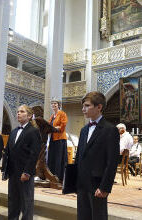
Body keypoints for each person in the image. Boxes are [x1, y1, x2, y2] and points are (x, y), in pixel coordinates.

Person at [75, 91, 120, 220]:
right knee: (83, 216)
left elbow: (112, 162)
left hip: (97, 183)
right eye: (83, 106)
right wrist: (75, 181)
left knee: (98, 216)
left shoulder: (110, 129)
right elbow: (79, 157)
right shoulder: (84, 130)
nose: (83, 109)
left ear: (99, 107)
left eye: (87, 106)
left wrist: (105, 186)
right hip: (82, 182)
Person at [2, 105, 41, 220]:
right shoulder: (13, 132)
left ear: (29, 116)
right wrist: (5, 169)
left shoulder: (33, 131)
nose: (18, 113)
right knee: (13, 201)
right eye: (18, 111)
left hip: (24, 173)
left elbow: (34, 154)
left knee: (26, 202)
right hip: (13, 172)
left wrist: (27, 172)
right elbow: (8, 151)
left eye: (22, 112)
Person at [47, 98, 68, 182]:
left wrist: (53, 128)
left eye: (55, 103)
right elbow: (48, 125)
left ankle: (58, 177)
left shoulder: (62, 114)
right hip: (53, 138)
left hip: (60, 139)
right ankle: (51, 176)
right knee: (52, 157)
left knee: (58, 159)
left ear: (58, 105)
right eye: (52, 103)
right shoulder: (52, 116)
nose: (53, 105)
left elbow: (63, 125)